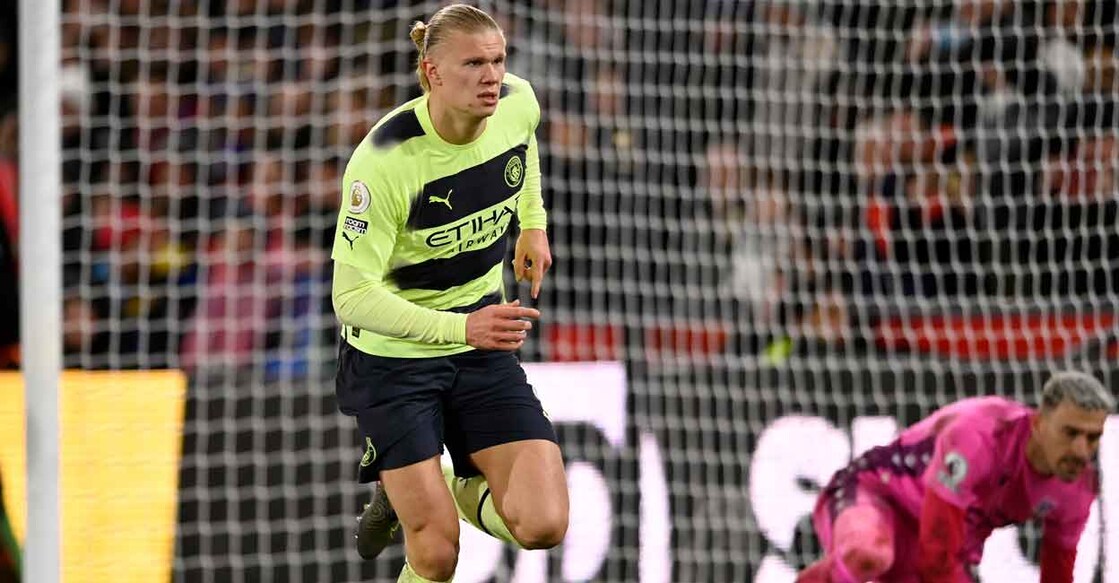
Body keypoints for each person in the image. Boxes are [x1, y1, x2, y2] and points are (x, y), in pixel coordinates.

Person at [330, 5, 568, 583]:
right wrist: (463, 328)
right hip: (394, 360)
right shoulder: (384, 160)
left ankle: (444, 483)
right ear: (432, 73)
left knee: (543, 523)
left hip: (479, 347)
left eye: (498, 60)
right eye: (473, 64)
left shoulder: (518, 102)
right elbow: (351, 298)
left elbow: (523, 149)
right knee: (436, 557)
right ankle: (409, 482)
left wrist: (531, 222)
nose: (492, 77)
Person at [798, 370, 1113, 583]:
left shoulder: (1078, 487)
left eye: (1092, 437)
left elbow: (1058, 575)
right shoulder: (982, 434)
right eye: (1070, 432)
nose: (1081, 450)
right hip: (874, 496)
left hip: (938, 546)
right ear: (1039, 423)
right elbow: (937, 554)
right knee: (867, 553)